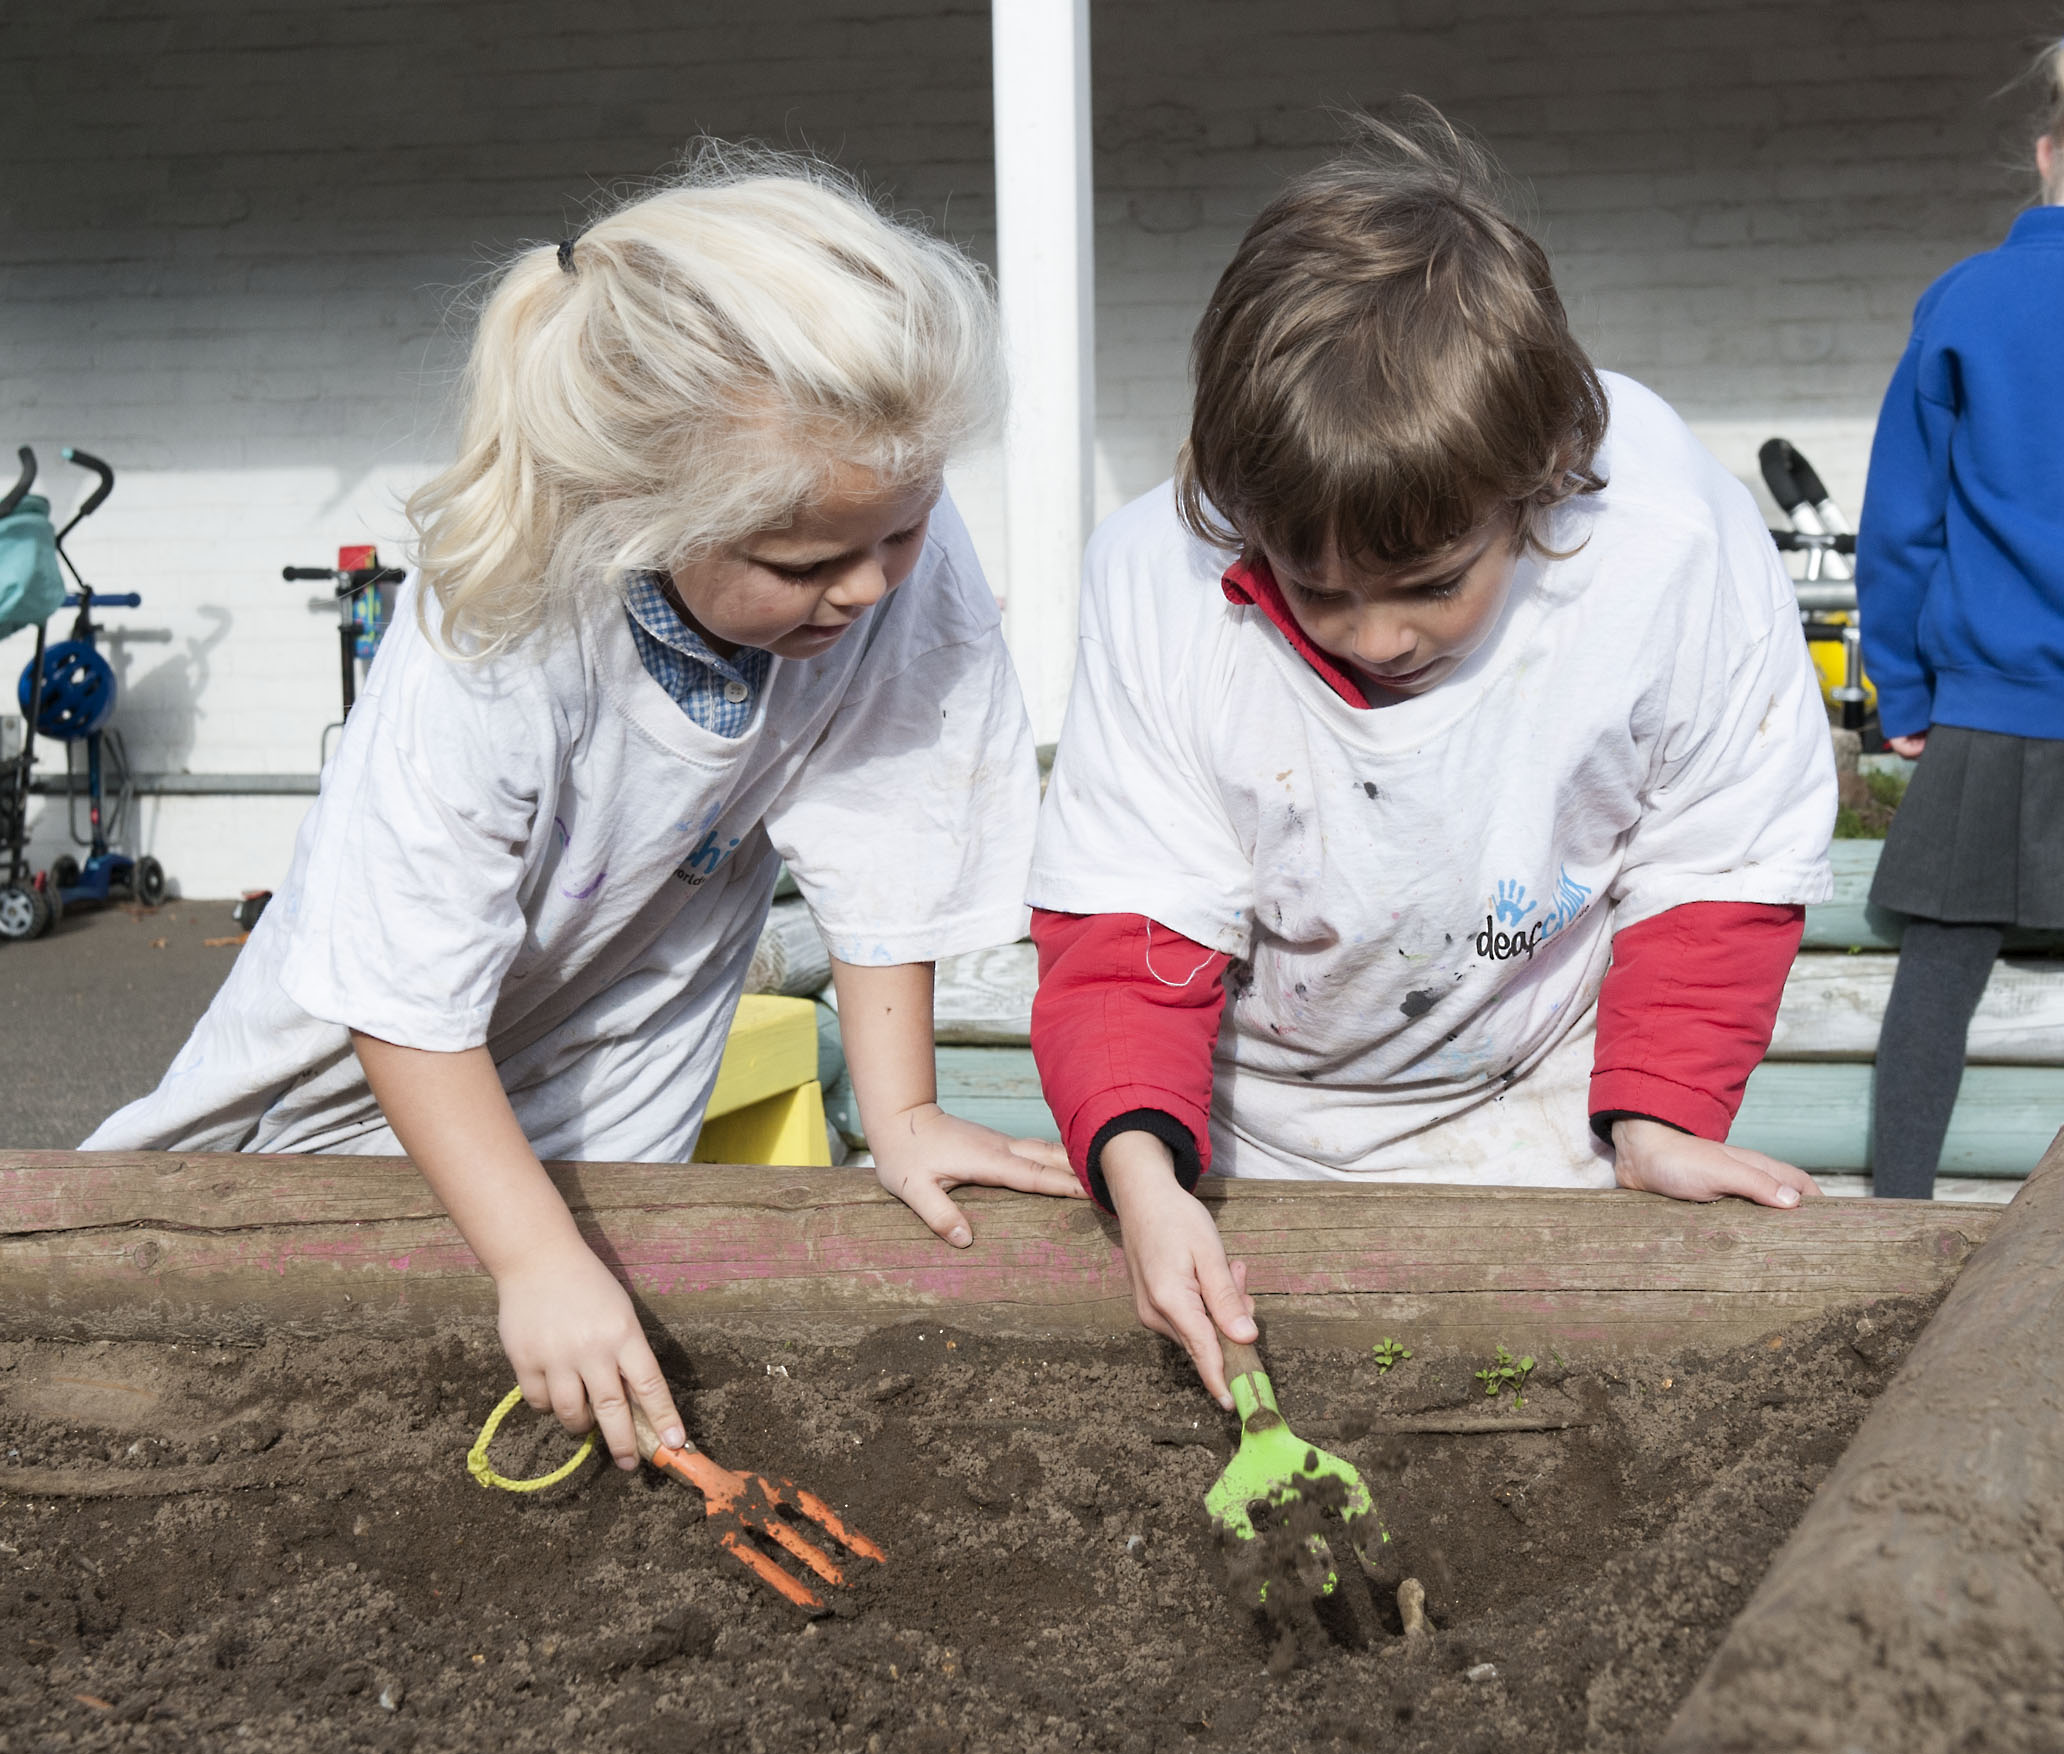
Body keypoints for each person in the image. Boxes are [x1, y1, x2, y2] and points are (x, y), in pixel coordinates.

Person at [87, 151, 1076, 1463]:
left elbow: (887, 805)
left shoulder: (875, 523)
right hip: (343, 1088)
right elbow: (404, 978)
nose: (872, 586)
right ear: (644, 507)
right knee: (251, 1348)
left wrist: (896, 1112)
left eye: (906, 530)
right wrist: (534, 1259)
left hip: (610, 1067)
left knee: (569, 1346)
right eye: (803, 564)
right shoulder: (496, 616)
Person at [1027, 107, 1837, 1407]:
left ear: (1541, 481)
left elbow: (1720, 844)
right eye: (1316, 587)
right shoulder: (1154, 581)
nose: (1378, 634)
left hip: (1548, 1111)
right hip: (1248, 1140)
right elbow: (1131, 915)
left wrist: (1663, 1114)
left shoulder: (1666, 537)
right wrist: (1143, 1181)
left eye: (1430, 583)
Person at [1854, 47, 2064, 1200]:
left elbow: (1902, 524)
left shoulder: (1968, 299)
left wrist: (1909, 691)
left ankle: (1896, 1220)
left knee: (1933, 982)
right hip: (1999, 707)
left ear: (2044, 153)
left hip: (1984, 718)